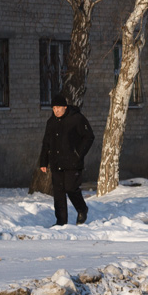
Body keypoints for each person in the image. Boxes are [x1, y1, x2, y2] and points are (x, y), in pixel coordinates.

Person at [38, 92, 95, 226]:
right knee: (58, 194)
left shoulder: (77, 119)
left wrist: (78, 153)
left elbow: (89, 137)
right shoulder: (51, 122)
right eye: (53, 108)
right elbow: (46, 142)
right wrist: (43, 161)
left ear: (65, 107)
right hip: (56, 162)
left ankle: (82, 209)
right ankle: (61, 222)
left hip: (73, 163)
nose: (56, 111)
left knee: (71, 188)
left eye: (58, 107)